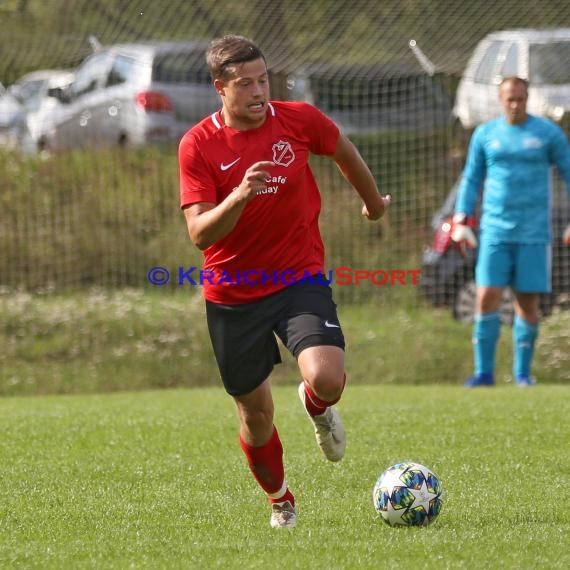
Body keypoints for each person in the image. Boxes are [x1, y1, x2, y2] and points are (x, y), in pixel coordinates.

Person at [178, 35, 390, 528]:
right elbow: (198, 234)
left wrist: (374, 202)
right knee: (255, 417)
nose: (258, 92)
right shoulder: (198, 144)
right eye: (245, 84)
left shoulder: (297, 120)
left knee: (327, 377)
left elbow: (343, 150)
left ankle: (316, 405)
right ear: (220, 88)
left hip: (298, 277)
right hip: (233, 293)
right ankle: (280, 500)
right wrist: (239, 196)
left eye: (263, 79)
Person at [451, 76, 570, 388]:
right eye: (509, 98)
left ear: (527, 97)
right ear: (500, 99)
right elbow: (471, 178)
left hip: (534, 233)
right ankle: (484, 373)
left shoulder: (547, 133)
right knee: (486, 295)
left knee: (526, 302)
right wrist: (461, 219)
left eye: (520, 98)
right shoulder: (486, 134)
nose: (515, 104)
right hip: (494, 231)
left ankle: (522, 375)